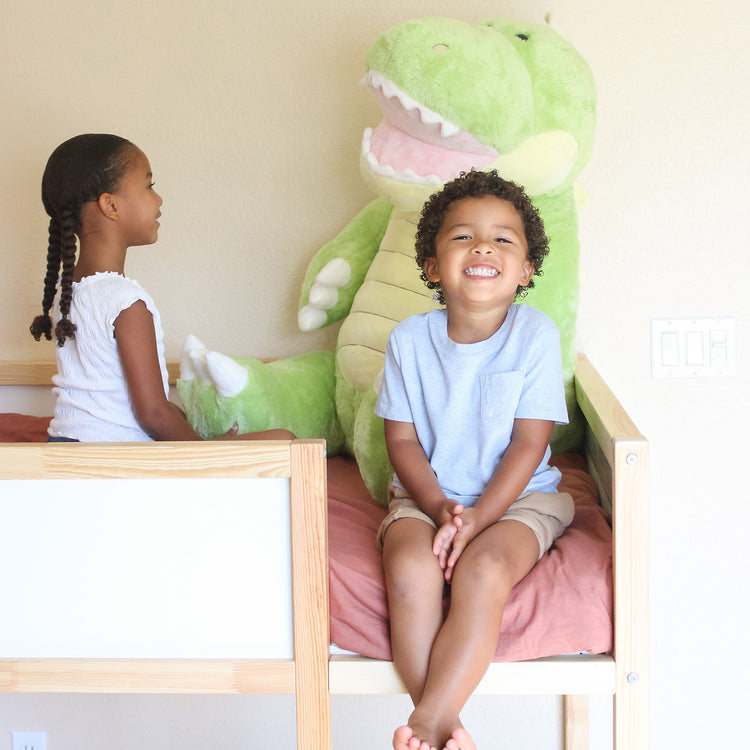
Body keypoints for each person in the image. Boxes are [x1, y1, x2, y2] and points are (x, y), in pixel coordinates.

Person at [375, 170, 575, 750]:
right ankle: (437, 726)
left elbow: (529, 443)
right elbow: (403, 442)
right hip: (426, 495)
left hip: (519, 497)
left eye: (503, 240)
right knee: (411, 570)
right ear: (434, 266)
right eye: (462, 237)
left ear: (527, 270)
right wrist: (439, 508)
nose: (483, 247)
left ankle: (426, 728)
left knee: (482, 571)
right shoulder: (410, 340)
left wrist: (479, 519)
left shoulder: (535, 333)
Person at [30, 133, 293, 443]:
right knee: (286, 440)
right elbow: (153, 415)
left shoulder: (68, 293)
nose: (159, 199)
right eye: (149, 186)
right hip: (113, 460)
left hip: (64, 443)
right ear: (110, 205)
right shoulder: (125, 302)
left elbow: (120, 395)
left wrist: (179, 418)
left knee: (179, 416)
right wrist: (207, 452)